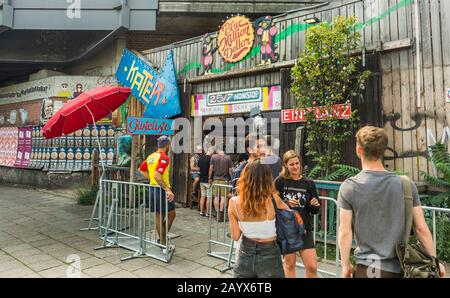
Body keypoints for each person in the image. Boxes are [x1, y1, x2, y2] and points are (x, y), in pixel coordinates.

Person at [338, 126, 446, 278]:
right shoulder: (406, 185)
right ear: (383, 150)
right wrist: (435, 262)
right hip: (400, 269)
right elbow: (421, 229)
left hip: (367, 269)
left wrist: (345, 265)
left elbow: (344, 231)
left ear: (358, 150)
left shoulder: (349, 187)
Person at [228, 159, 290, 278]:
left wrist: (245, 222)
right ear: (267, 179)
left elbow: (235, 236)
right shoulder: (273, 199)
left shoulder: (233, 203)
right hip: (270, 252)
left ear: (245, 177)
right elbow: (287, 214)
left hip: (245, 252)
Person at [274, 150, 321, 278]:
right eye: (291, 164)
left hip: (304, 228)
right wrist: (286, 203)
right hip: (287, 229)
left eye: (297, 163)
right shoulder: (280, 182)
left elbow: (315, 209)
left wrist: (315, 205)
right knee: (289, 265)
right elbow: (272, 204)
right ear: (286, 166)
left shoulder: (309, 183)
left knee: (312, 267)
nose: (295, 167)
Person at [138, 135, 175, 253]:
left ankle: (162, 240)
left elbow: (141, 170)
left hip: (153, 188)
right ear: (167, 145)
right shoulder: (164, 157)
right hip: (161, 189)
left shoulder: (151, 157)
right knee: (171, 214)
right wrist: (167, 189)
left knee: (159, 215)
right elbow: (157, 175)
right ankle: (164, 241)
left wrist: (151, 180)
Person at [209, 148, 234, 221]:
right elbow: (230, 170)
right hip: (225, 180)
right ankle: (221, 214)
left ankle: (217, 213)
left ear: (217, 150)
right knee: (223, 197)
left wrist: (209, 178)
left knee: (216, 197)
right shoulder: (228, 158)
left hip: (215, 179)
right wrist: (232, 179)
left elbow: (211, 168)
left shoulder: (213, 157)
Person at [198, 146, 215, 216]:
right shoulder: (211, 159)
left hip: (201, 180)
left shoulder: (201, 158)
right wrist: (210, 178)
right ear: (212, 152)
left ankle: (201, 211)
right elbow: (211, 169)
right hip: (208, 180)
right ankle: (207, 212)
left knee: (202, 196)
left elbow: (199, 168)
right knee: (208, 197)